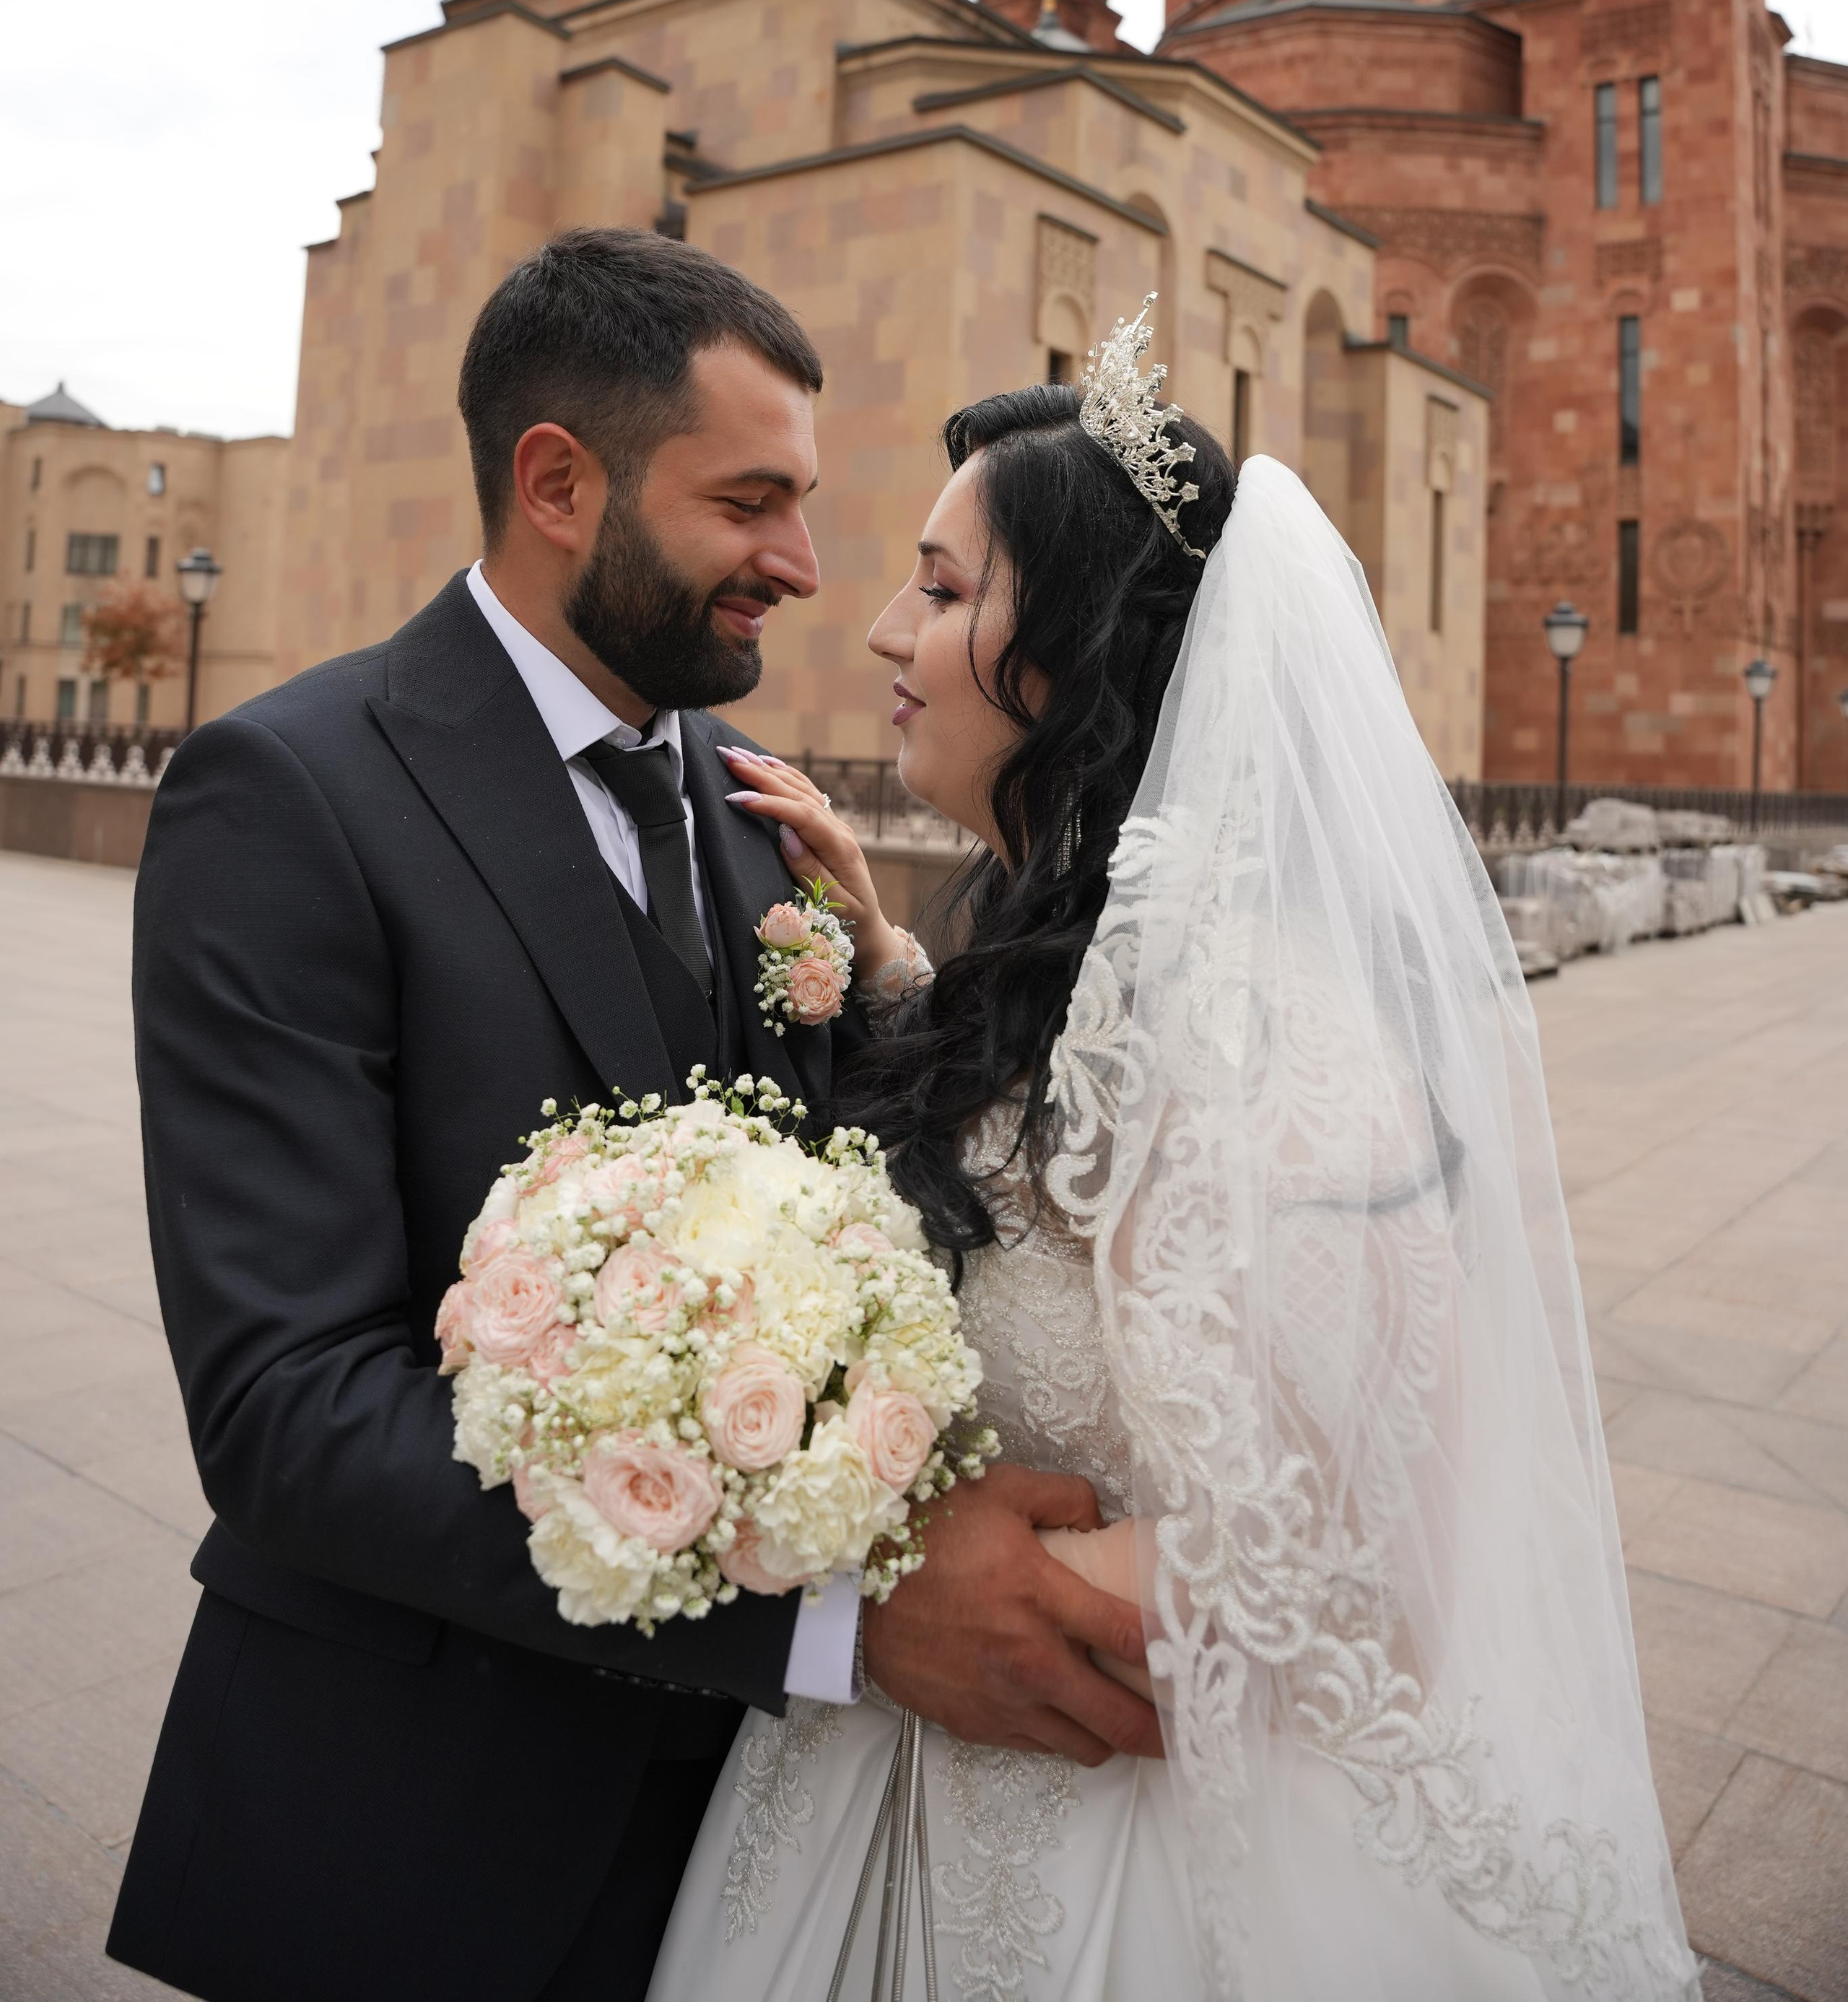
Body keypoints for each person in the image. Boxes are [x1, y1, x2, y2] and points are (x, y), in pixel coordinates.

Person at [108, 229, 1153, 2002]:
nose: (802, 567)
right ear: (556, 484)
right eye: (749, 504)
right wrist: (837, 1614)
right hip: (423, 1826)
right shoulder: (288, 794)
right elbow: (288, 1406)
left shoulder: (756, 816)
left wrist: (892, 995)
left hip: (743, 1847)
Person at [650, 303, 1699, 2001]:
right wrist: (898, 968)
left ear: (1074, 651)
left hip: (1110, 1846)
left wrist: (880, 1579)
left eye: (940, 589)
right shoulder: (1100, 974)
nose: (884, 630)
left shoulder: (1263, 1037)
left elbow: (1352, 1570)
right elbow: (1056, 1174)